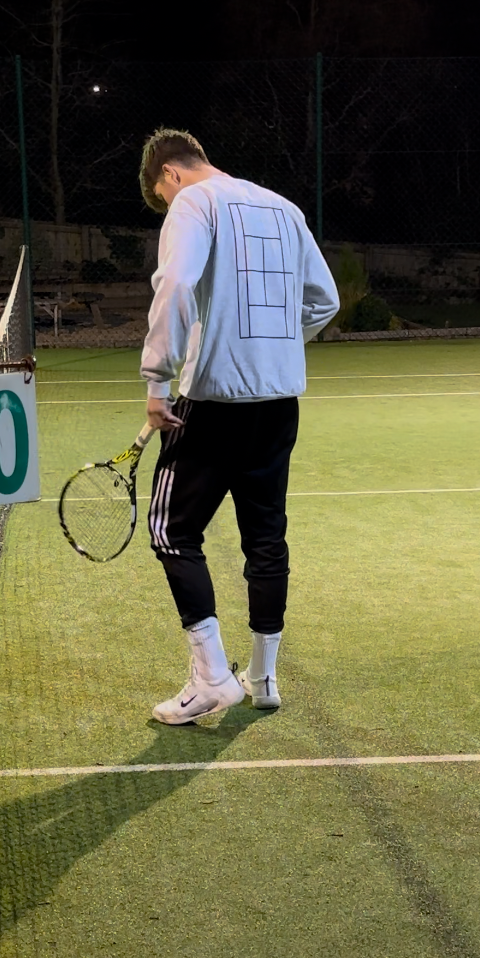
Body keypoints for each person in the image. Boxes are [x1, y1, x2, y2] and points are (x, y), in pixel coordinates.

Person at [138, 127, 339, 725]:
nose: (169, 205)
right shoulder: (285, 207)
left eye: (164, 197)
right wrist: (272, 349)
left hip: (215, 404)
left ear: (170, 174)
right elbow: (324, 301)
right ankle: (263, 677)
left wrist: (156, 382)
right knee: (266, 537)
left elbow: (175, 284)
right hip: (278, 404)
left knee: (170, 531)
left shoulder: (194, 202)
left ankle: (211, 678)